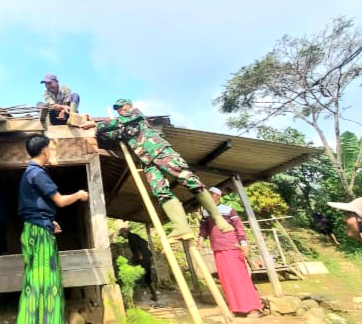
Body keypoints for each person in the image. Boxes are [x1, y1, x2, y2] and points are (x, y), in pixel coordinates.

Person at [80, 99, 233, 242]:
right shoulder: (123, 128)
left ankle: (218, 219)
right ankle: (181, 227)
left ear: (128, 105)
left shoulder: (135, 114)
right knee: (160, 191)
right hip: (148, 162)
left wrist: (96, 124)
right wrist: (91, 125)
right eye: (118, 109)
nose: (120, 110)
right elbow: (107, 134)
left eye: (121, 107)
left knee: (189, 180)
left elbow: (115, 123)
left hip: (160, 152)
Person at [17, 134, 89, 324]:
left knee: (34, 280)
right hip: (39, 234)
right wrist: (80, 195)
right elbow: (60, 200)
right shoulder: (38, 173)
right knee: (47, 281)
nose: (52, 152)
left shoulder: (29, 173)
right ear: (45, 150)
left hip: (33, 229)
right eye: (51, 148)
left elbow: (34, 205)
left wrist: (49, 220)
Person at [197, 187, 263, 318]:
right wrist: (200, 239)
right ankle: (235, 308)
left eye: (211, 195)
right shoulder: (206, 212)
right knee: (226, 280)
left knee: (240, 278)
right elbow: (204, 229)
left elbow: (239, 228)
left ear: (217, 196)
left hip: (232, 247)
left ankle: (253, 308)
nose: (208, 197)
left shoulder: (228, 210)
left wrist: (244, 244)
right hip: (217, 249)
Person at [118, 227, 158, 301]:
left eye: (122, 235)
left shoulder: (131, 238)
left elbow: (136, 247)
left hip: (143, 258)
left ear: (125, 233)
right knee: (145, 275)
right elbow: (145, 242)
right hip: (145, 256)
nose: (123, 237)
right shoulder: (135, 236)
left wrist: (139, 255)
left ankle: (149, 295)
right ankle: (152, 294)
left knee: (143, 276)